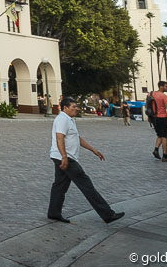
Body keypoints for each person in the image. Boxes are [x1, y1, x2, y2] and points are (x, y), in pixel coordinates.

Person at [47, 96, 124, 224]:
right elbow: (59, 138)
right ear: (65, 107)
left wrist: (93, 149)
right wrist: (64, 157)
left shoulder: (69, 119)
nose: (76, 109)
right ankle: (108, 214)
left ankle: (54, 213)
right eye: (73, 107)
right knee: (86, 185)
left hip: (61, 156)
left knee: (59, 186)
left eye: (76, 106)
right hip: (66, 158)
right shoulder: (62, 119)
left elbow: (77, 137)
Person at [149, 81, 167, 162]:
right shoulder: (163, 96)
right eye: (166, 86)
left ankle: (156, 150)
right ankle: (165, 156)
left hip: (154, 117)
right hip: (163, 117)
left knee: (159, 135)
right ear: (161, 86)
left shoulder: (151, 94)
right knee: (164, 137)